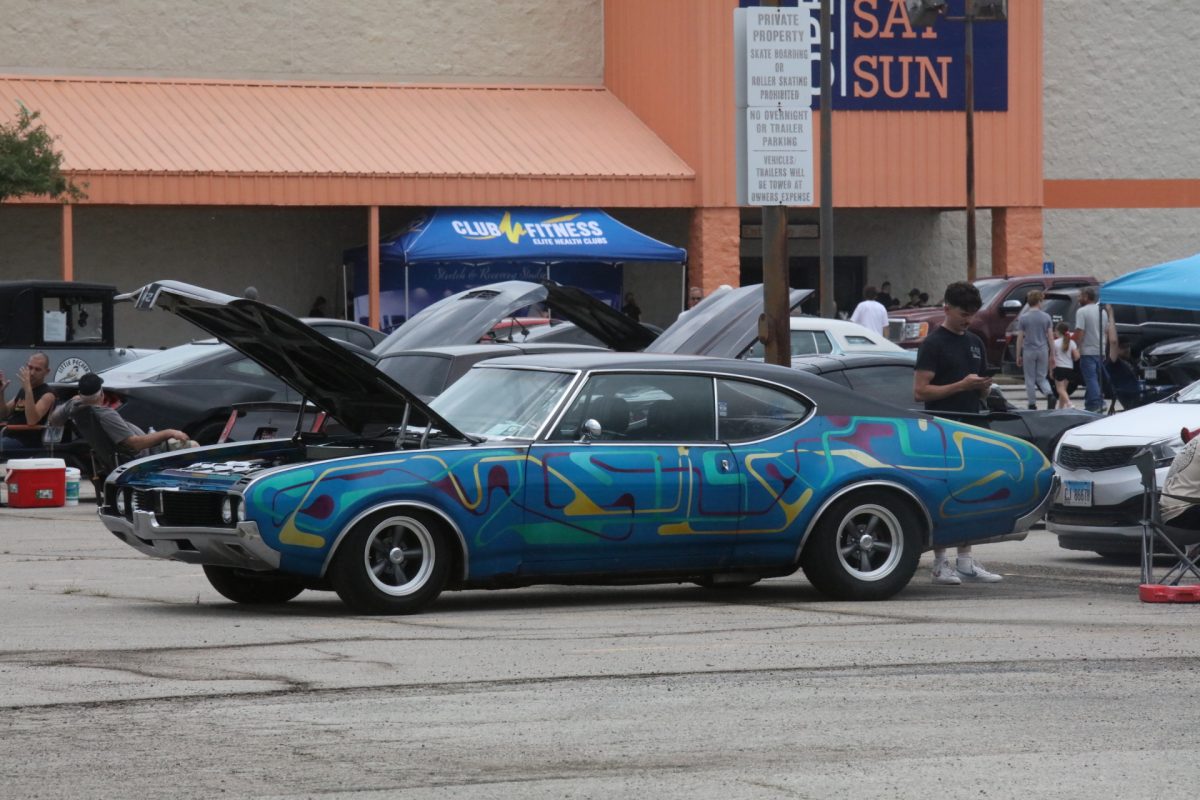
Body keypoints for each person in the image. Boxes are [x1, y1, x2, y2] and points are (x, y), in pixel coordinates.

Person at [913, 281, 1003, 586]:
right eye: (963, 314)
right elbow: (920, 391)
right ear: (946, 308)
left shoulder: (976, 342)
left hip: (973, 425)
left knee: (973, 492)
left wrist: (983, 389)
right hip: (943, 428)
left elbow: (977, 389)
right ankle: (940, 563)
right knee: (945, 493)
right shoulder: (934, 344)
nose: (968, 320)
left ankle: (966, 560)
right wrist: (960, 386)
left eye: (972, 315)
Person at [49, 373, 191, 460]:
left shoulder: (74, 406)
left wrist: (74, 401)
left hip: (117, 455)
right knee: (192, 446)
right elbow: (136, 444)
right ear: (102, 393)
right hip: (141, 458)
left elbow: (54, 420)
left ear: (80, 393)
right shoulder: (105, 415)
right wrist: (170, 432)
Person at [0, 352, 56, 450]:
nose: (32, 373)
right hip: (7, 437)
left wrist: (28, 390)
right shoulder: (23, 390)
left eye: (37, 369)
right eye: (30, 367)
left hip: (24, 442)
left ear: (47, 372)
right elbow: (3, 414)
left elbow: (32, 421)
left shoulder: (48, 394)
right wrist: (1, 393)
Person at [1073, 286, 1116, 413]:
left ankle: (1097, 403)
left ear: (1086, 297)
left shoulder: (1082, 312)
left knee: (1090, 378)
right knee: (1096, 379)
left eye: (1080, 296)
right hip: (1100, 350)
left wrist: (1077, 346)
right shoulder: (1101, 311)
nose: (1078, 298)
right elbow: (1106, 331)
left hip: (1087, 350)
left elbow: (1080, 331)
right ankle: (1091, 403)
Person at [1014, 290, 1055, 410]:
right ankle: (1050, 394)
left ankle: (1032, 404)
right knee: (1041, 377)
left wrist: (1018, 355)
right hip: (1043, 349)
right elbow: (1050, 337)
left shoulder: (1023, 318)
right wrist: (1052, 353)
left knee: (1030, 378)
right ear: (1039, 301)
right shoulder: (1046, 317)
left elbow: (1020, 337)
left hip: (1028, 350)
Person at [1051, 321, 1079, 409]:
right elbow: (1077, 357)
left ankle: (1069, 403)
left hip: (1059, 368)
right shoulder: (1072, 343)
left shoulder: (1055, 343)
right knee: (1064, 391)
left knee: (1060, 389)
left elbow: (1051, 358)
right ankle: (1060, 408)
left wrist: (1050, 370)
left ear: (1058, 331)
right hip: (1069, 368)